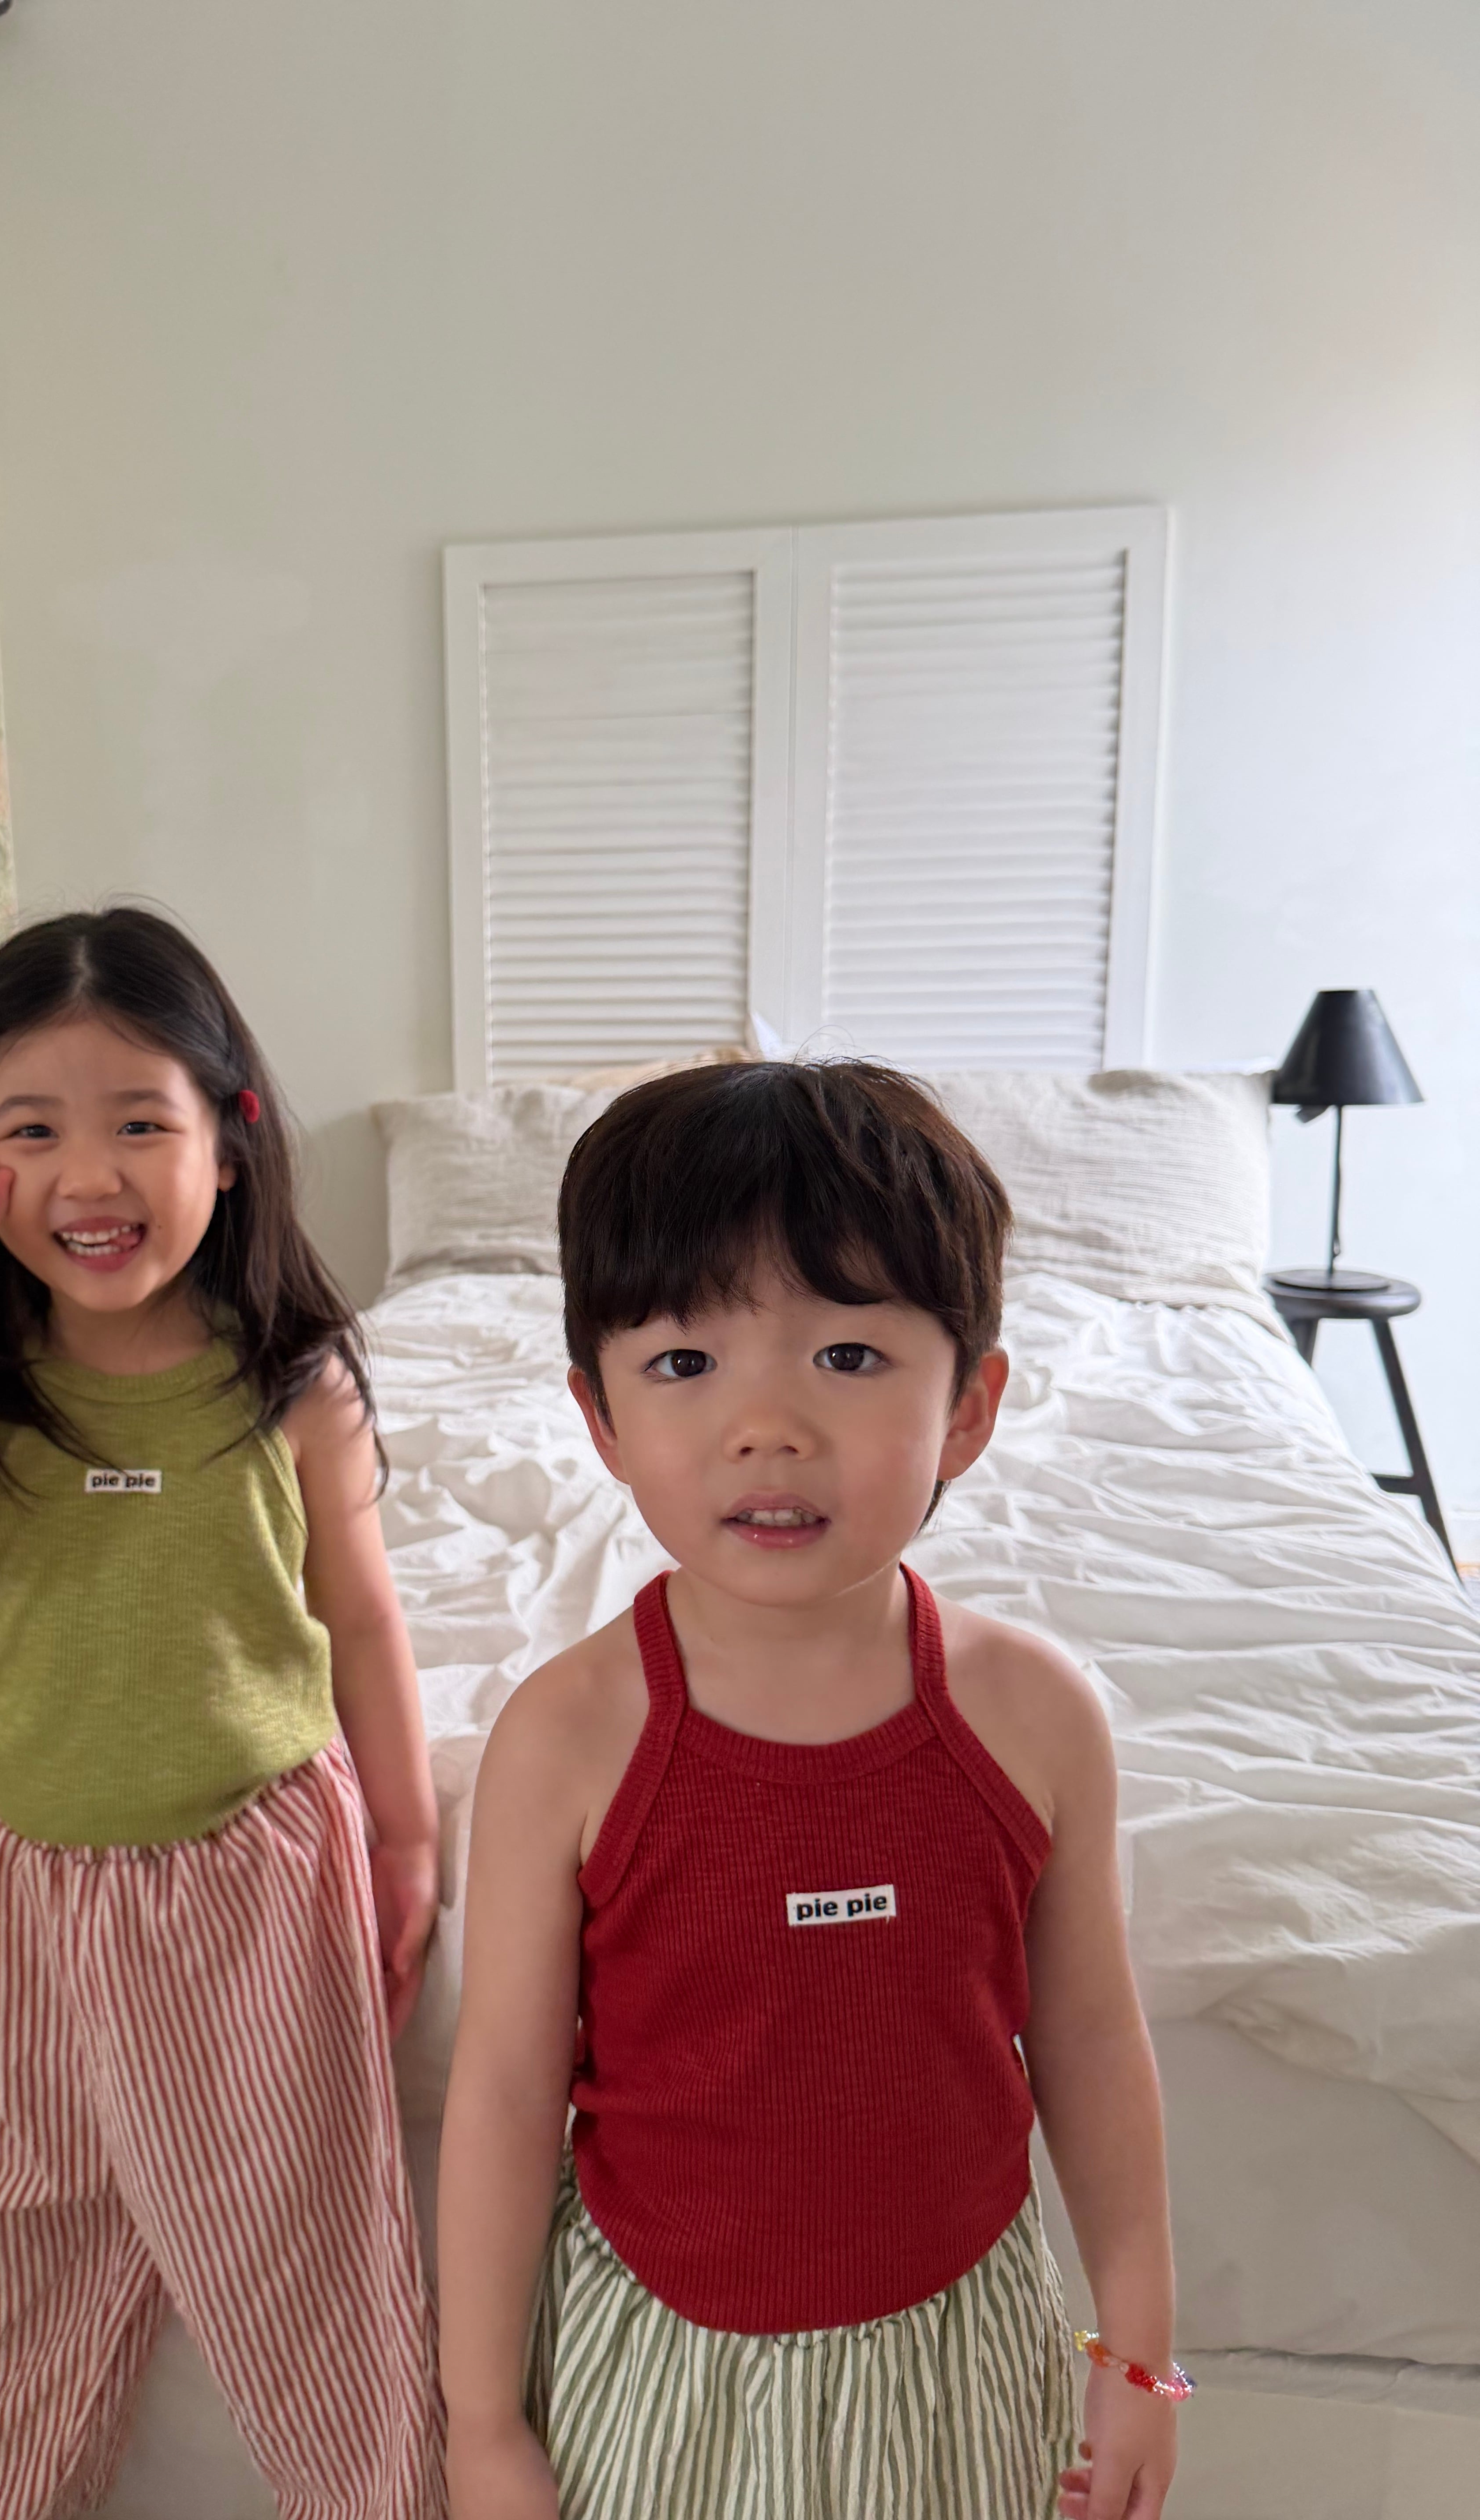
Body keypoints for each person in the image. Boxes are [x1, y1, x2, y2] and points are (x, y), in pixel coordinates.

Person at [0, 907, 445, 2520]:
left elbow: (359, 1617)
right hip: (18, 1876)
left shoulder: (293, 1384)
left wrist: (408, 1837)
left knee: (297, 2252)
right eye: (31, 1132)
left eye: (141, 1124)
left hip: (246, 1875)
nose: (89, 1177)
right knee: (4, 2243)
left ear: (231, 1139)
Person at [437, 1059, 1186, 2520]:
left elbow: (1090, 2039)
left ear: (967, 1408)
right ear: (598, 1419)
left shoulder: (1033, 1716)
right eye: (685, 1364)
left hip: (953, 2360)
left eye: (847, 1355)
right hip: (662, 2362)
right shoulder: (564, 1738)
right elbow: (507, 2094)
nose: (766, 1425)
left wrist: (1138, 2349)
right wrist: (480, 2425)